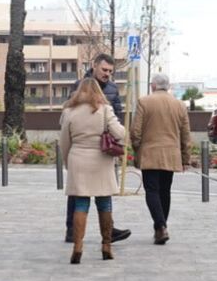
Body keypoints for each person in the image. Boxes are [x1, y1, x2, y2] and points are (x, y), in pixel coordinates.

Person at [63, 54, 131, 244]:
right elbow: (69, 117)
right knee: (78, 193)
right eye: (104, 70)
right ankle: (71, 230)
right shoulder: (79, 86)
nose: (107, 74)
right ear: (94, 66)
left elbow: (116, 113)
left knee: (104, 192)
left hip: (104, 149)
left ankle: (108, 231)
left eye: (110, 71)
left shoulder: (112, 88)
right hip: (85, 149)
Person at [130, 72, 192, 245]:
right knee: (165, 191)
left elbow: (135, 131)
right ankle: (161, 227)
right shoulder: (179, 105)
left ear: (153, 86)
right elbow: (186, 134)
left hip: (150, 153)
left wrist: (137, 149)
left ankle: (160, 226)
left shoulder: (144, 102)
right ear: (168, 86)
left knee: (152, 191)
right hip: (171, 155)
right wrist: (186, 158)